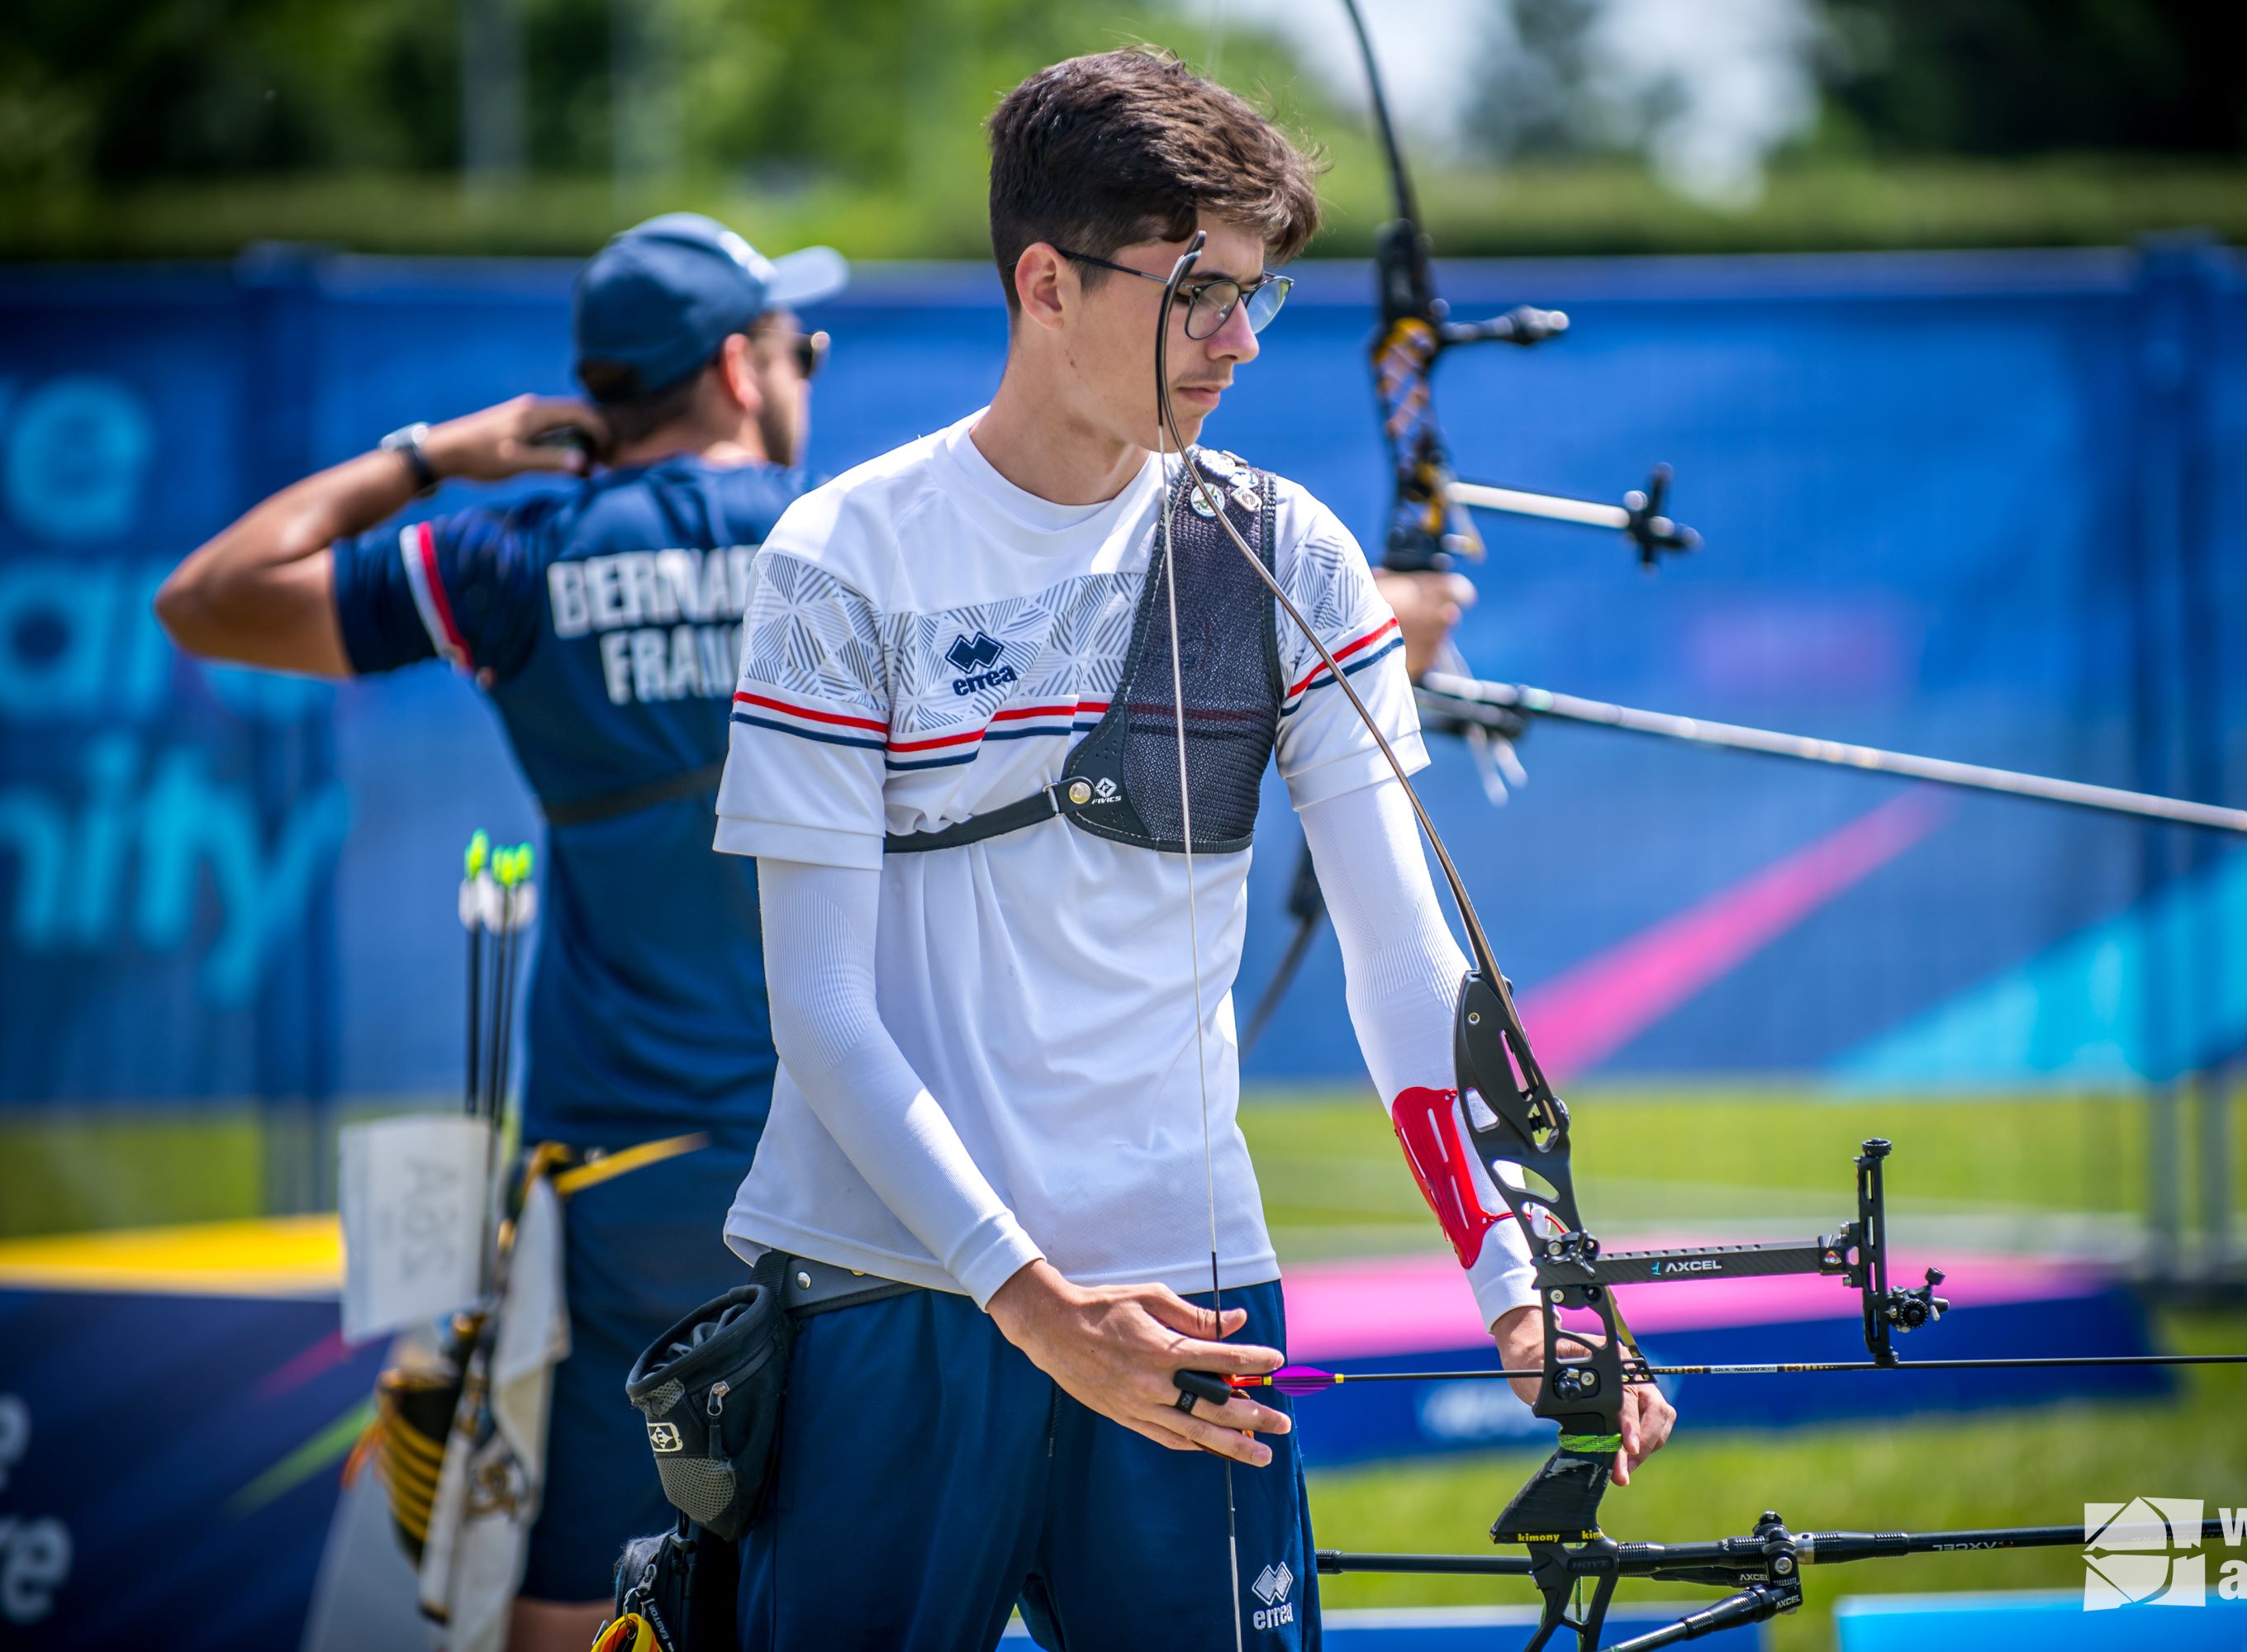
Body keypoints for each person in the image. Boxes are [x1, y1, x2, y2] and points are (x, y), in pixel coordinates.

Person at [711, 48, 1672, 1652]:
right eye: (1199, 291)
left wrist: (1523, 1278)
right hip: (894, 1291)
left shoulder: (1286, 548)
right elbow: (818, 1009)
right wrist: (1029, 1297)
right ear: (1047, 282)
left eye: (1259, 295)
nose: (1237, 340)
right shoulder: (843, 555)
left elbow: (1402, 957)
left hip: (1195, 1293)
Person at [153, 212, 844, 1651]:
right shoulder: (851, 540)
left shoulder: (516, 557)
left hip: (624, 1168)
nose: (808, 372)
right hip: (853, 1156)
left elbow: (206, 601)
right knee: (859, 1581)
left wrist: (435, 454)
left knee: (580, 1594)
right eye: (798, 347)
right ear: (735, 365)